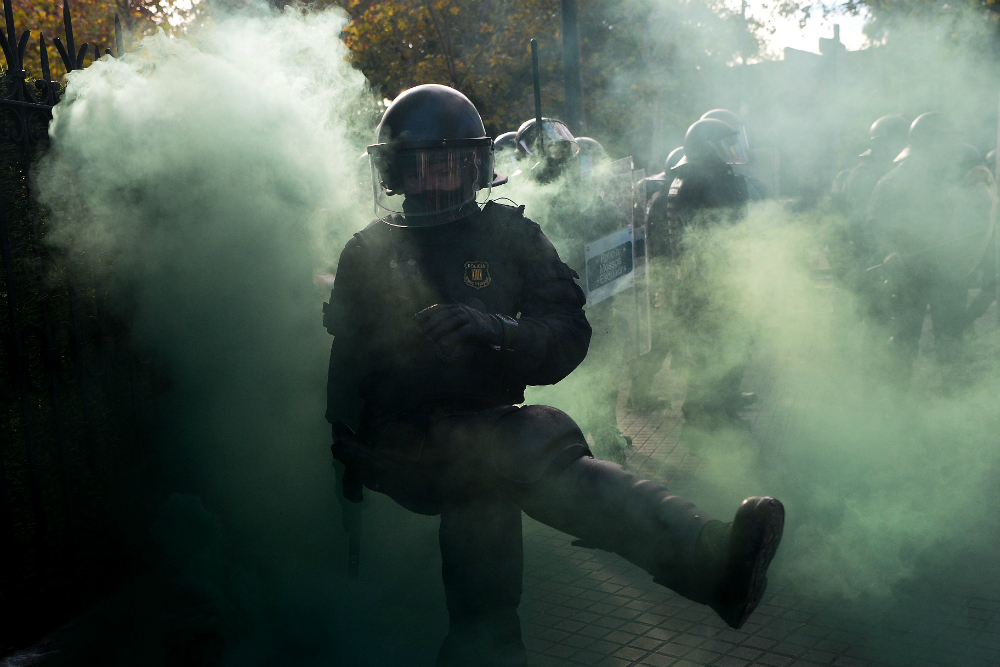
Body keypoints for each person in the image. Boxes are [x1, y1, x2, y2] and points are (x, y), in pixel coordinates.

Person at [325, 84, 785, 667]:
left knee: (487, 580)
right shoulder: (367, 251)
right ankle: (707, 559)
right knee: (525, 435)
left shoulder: (510, 236)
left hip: (485, 437)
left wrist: (493, 328)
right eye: (420, 167)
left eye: (451, 164)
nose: (436, 180)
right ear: (394, 172)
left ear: (476, 166)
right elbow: (347, 360)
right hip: (403, 439)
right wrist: (345, 449)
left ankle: (489, 648)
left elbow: (569, 333)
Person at [870, 112, 995, 383]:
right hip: (906, 274)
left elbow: (980, 222)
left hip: (949, 273)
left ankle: (954, 403)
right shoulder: (892, 183)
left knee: (952, 343)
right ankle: (895, 403)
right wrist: (888, 252)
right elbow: (876, 227)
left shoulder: (962, 182)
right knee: (901, 342)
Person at [667, 118, 755, 432]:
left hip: (706, 277)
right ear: (707, 148)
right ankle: (706, 415)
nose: (730, 150)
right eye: (723, 143)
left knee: (720, 346)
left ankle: (717, 408)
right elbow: (717, 232)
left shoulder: (694, 177)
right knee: (715, 347)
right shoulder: (702, 181)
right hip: (710, 279)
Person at [626, 146, 685, 414]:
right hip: (663, 278)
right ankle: (638, 396)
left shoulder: (661, 197)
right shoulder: (663, 200)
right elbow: (662, 244)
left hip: (662, 276)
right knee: (660, 339)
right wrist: (664, 280)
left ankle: (639, 395)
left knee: (662, 339)